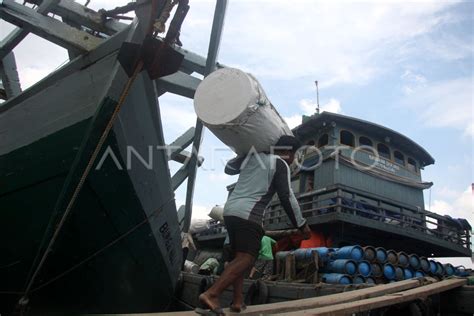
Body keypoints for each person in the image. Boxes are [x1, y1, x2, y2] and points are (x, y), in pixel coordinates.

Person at [196, 135, 311, 315]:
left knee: (239, 259)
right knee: (246, 259)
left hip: (230, 212)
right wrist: (301, 224)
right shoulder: (279, 163)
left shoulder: (253, 158)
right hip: (249, 215)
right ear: (289, 152)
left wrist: (245, 154)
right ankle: (212, 294)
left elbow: (229, 168)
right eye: (294, 155)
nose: (293, 159)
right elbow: (286, 196)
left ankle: (237, 300)